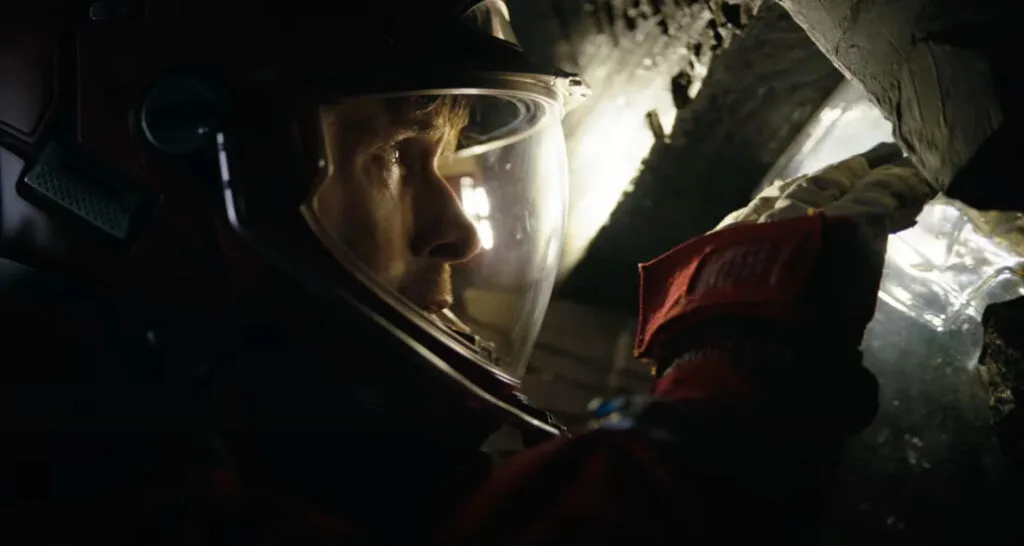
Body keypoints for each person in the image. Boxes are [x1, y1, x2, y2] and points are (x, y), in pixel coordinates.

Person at [0, 1, 935, 544]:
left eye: (453, 168)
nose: (461, 236)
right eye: (393, 156)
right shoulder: (58, 467)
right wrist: (737, 361)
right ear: (166, 164)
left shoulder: (293, 463)